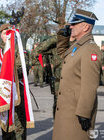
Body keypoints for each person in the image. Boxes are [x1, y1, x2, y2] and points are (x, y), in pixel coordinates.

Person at [53, 9, 101, 140]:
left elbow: (90, 85)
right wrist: (63, 35)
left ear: (86, 27)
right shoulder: (78, 46)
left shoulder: (90, 49)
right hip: (67, 110)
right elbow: (64, 54)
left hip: (76, 114)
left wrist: (84, 112)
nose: (71, 26)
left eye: (75, 24)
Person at [0, 23, 29, 140]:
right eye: (4, 33)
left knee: (19, 130)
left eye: (10, 33)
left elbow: (21, 69)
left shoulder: (21, 51)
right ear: (1, 35)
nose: (7, 36)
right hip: (3, 98)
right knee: (6, 131)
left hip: (17, 98)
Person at [35, 35, 63, 119]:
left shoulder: (76, 44)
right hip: (58, 84)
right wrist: (55, 38)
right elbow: (39, 49)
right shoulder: (56, 46)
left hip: (73, 84)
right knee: (57, 108)